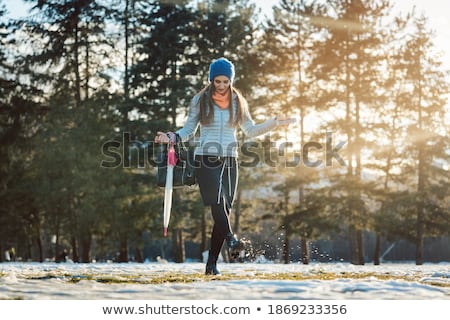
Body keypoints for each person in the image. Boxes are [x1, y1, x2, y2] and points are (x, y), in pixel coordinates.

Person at [155, 57, 292, 275]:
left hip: (230, 159)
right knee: (217, 202)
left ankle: (211, 265)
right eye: (217, 81)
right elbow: (188, 130)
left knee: (224, 210)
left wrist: (274, 123)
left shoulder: (238, 102)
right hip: (205, 157)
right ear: (211, 80)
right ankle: (232, 240)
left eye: (225, 81)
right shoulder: (200, 100)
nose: (221, 85)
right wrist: (170, 136)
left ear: (230, 81)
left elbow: (250, 130)